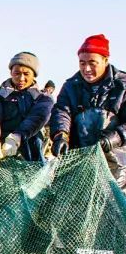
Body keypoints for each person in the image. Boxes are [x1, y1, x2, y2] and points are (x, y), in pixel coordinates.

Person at [49, 34, 126, 188]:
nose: (87, 69)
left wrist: (115, 138)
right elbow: (61, 112)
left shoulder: (122, 85)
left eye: (92, 63)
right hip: (79, 156)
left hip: (116, 160)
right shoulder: (71, 85)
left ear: (105, 60)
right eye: (82, 63)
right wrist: (60, 136)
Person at [0, 52, 54, 164]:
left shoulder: (43, 98)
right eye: (17, 73)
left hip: (31, 148)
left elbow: (37, 117)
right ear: (11, 72)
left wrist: (17, 137)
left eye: (26, 74)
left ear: (34, 75)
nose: (21, 78)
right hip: (2, 147)